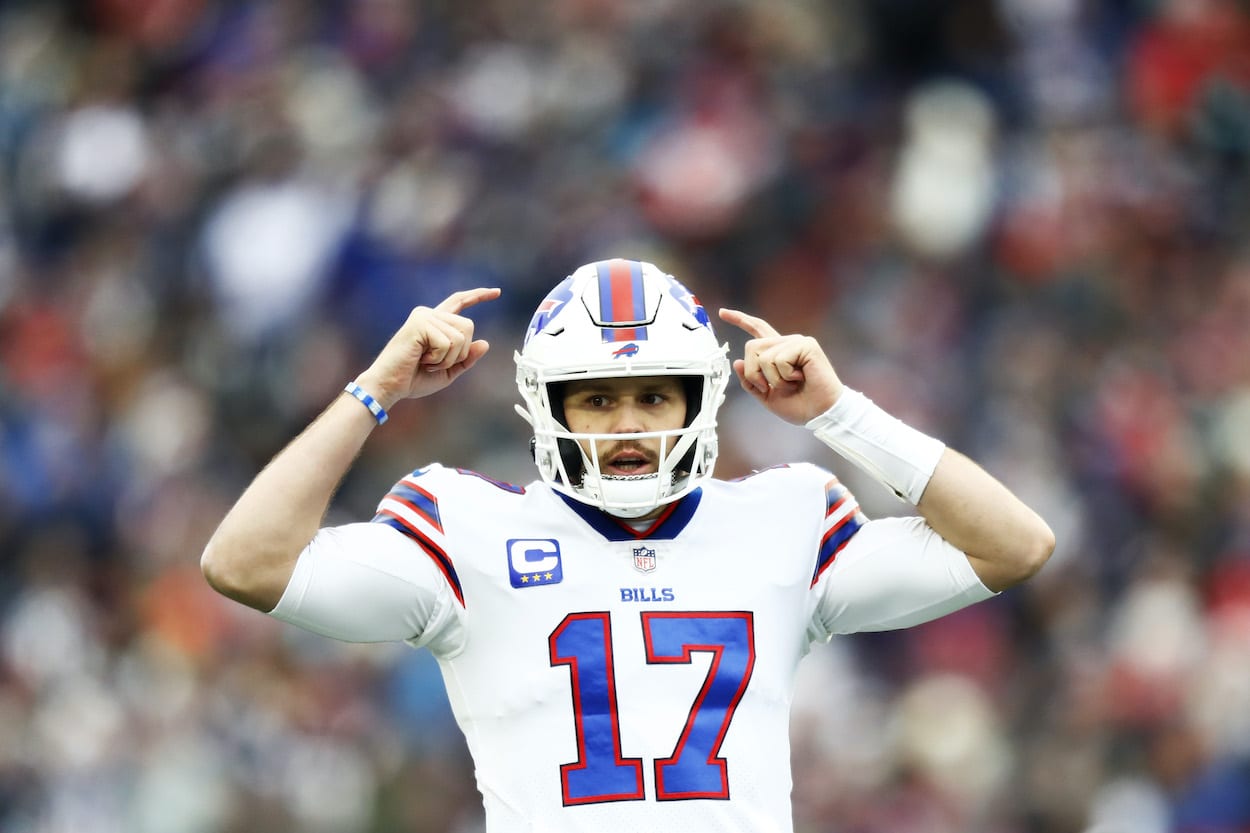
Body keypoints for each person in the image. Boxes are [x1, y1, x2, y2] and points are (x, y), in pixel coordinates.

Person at [201, 259, 1054, 832]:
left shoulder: (786, 515)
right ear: (547, 407)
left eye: (654, 394)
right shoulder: (462, 524)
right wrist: (376, 389)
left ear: (700, 400)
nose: (630, 425)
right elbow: (244, 564)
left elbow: (1014, 544)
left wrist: (839, 414)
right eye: (598, 399)